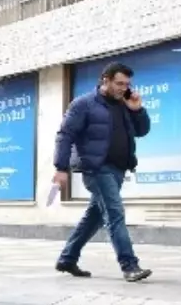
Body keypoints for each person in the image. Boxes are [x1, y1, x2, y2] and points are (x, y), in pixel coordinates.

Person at [53, 62, 153, 282]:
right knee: (115, 213)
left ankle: (67, 258)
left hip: (118, 169)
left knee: (94, 216)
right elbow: (65, 135)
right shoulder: (83, 104)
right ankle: (129, 265)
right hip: (96, 168)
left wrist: (138, 110)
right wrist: (61, 168)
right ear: (105, 80)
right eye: (119, 83)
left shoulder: (125, 104)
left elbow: (142, 131)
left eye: (127, 84)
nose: (123, 88)